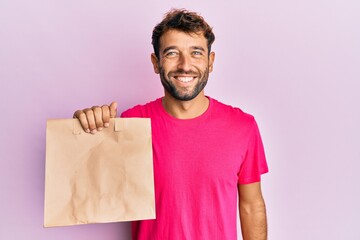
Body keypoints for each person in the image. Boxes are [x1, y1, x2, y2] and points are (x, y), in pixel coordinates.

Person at [74, 9, 268, 240]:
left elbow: (251, 206)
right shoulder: (130, 124)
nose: (185, 65)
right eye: (172, 53)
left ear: (211, 61)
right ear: (156, 62)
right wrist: (83, 127)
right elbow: (91, 187)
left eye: (196, 53)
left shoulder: (242, 127)